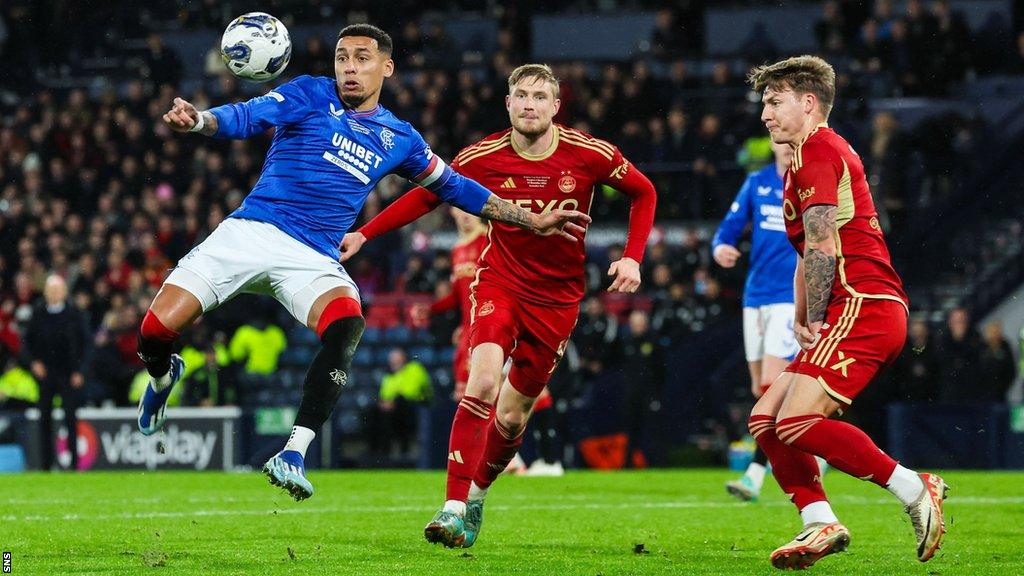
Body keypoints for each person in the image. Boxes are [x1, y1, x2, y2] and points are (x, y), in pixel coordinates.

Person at [145, 25, 590, 502]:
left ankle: (293, 451)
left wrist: (528, 218)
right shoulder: (309, 93)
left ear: (386, 67)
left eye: (361, 59)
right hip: (251, 232)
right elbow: (246, 116)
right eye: (342, 58)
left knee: (347, 322)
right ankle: (161, 373)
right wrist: (199, 122)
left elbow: (455, 186)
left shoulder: (400, 136)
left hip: (312, 256)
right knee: (153, 332)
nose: (349, 68)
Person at [342, 63, 657, 548]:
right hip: (500, 283)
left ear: (555, 106)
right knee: (482, 379)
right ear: (508, 104)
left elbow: (644, 191)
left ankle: (476, 499)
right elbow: (427, 196)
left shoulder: (589, 154)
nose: (529, 103)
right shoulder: (482, 156)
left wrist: (633, 258)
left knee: (512, 418)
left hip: (558, 299)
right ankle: (450, 507)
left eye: (539, 96)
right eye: (521, 95)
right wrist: (365, 232)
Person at [746, 55, 947, 569]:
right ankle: (819, 522)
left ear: (808, 103)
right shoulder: (801, 159)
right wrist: (801, 313)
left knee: (793, 423)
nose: (764, 113)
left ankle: (913, 486)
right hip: (849, 307)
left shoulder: (818, 150)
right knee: (766, 420)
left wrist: (814, 314)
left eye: (775, 101)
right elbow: (806, 250)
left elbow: (821, 246)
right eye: (764, 102)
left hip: (864, 303)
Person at [712, 141, 799, 501]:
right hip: (755, 296)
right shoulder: (757, 182)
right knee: (759, 390)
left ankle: (755, 473)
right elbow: (728, 229)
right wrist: (720, 248)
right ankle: (806, 441)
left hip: (790, 298)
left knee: (769, 388)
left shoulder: (811, 183)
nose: (785, 147)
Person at [23, 275, 91, 470]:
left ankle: (73, 464)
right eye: (50, 289)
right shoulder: (38, 314)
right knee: (45, 419)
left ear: (64, 291)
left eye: (57, 289)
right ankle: (46, 464)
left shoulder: (75, 314)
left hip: (69, 374)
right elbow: (26, 343)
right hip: (45, 374)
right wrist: (33, 363)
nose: (53, 293)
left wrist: (81, 371)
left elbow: (87, 345)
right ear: (45, 292)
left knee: (70, 418)